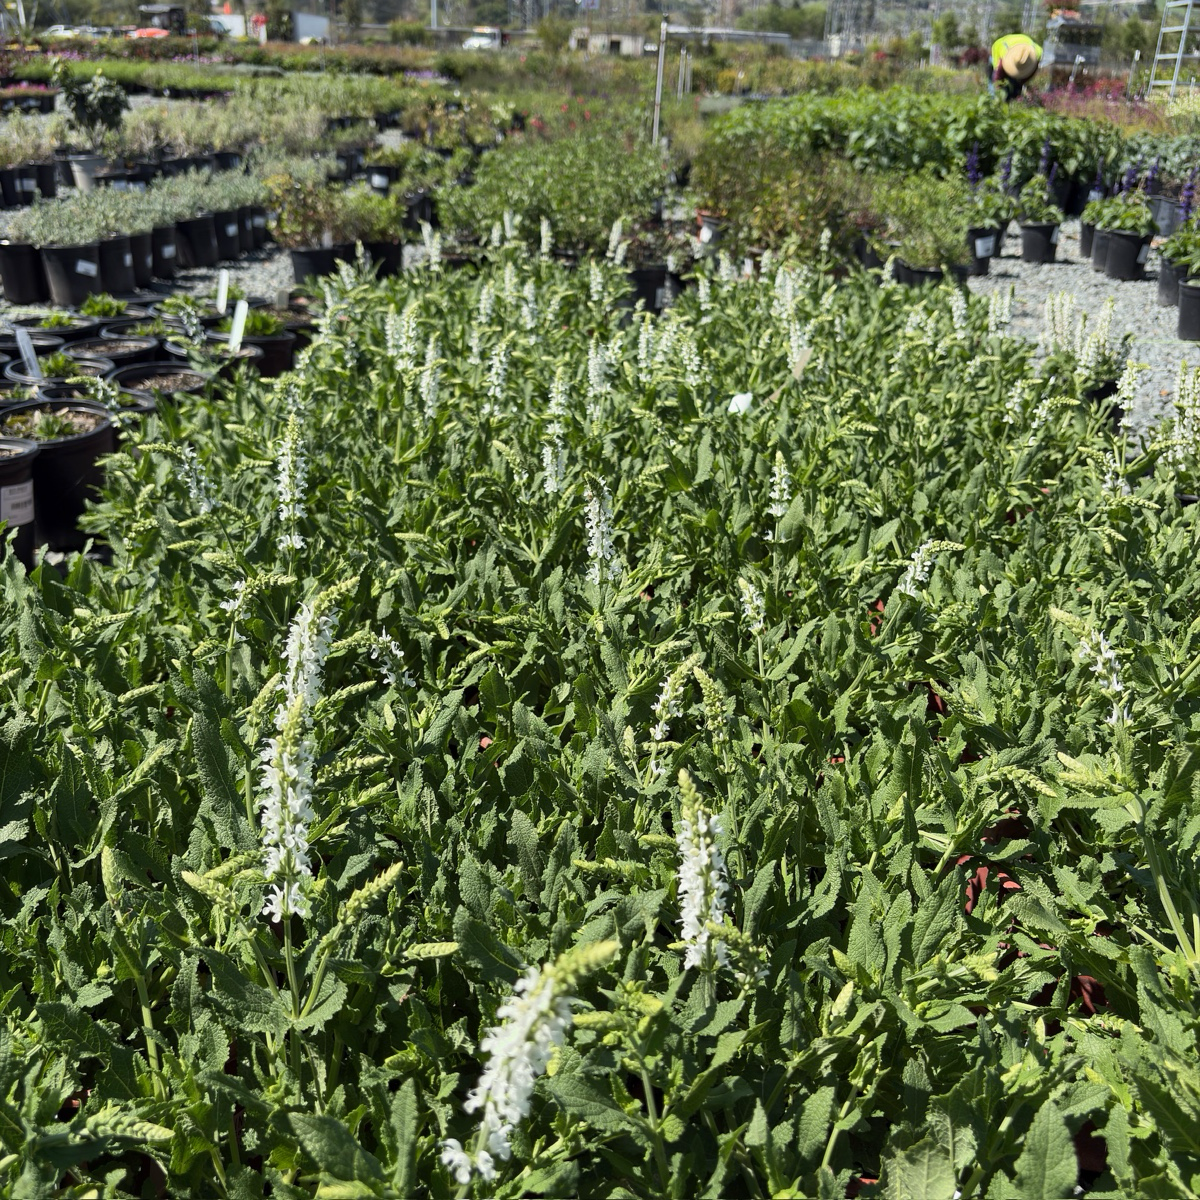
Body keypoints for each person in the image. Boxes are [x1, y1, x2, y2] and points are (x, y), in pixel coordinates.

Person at [989, 33, 1042, 102]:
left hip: (1021, 43)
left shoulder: (1035, 55)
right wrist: (999, 94)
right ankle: (993, 105)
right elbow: (997, 79)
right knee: (993, 92)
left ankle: (1010, 102)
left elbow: (1029, 74)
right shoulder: (1003, 60)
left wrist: (1020, 86)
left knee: (1014, 89)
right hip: (999, 50)